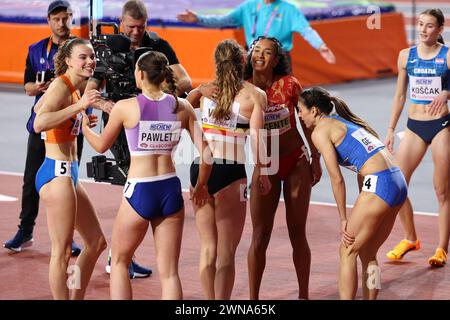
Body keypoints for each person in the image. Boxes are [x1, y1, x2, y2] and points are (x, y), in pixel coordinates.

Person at [81, 50, 212, 299]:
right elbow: (207, 154)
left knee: (119, 262)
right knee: (170, 273)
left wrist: (86, 128)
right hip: (170, 190)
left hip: (140, 189)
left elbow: (101, 146)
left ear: (140, 75)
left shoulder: (125, 108)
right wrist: (202, 185)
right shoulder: (181, 106)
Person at [86, 0, 193, 278]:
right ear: (121, 22)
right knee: (130, 178)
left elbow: (186, 82)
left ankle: (121, 255)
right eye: (131, 27)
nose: (136, 32)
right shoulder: (108, 48)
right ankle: (121, 255)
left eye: (141, 27)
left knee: (135, 181)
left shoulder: (159, 46)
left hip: (153, 120)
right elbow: (91, 89)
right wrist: (104, 106)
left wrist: (162, 90)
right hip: (123, 121)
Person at [298, 87, 408, 300]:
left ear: (313, 110)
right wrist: (365, 202)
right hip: (397, 182)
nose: (300, 116)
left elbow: (337, 179)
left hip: (379, 183)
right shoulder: (342, 121)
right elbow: (363, 165)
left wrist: (343, 218)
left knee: (347, 251)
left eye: (300, 111)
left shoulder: (320, 132)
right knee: (368, 252)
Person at [187, 39, 270, 299]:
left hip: (199, 169)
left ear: (216, 63)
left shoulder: (205, 91)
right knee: (226, 252)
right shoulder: (255, 96)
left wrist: (199, 89)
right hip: (231, 172)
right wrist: (263, 171)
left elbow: (181, 108)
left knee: (207, 249)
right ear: (242, 62)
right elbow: (257, 138)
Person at [243, 36, 321, 300]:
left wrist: (316, 157)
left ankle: (303, 296)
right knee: (259, 235)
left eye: (267, 53)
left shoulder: (290, 85)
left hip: (295, 161)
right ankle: (253, 300)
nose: (260, 56)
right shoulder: (243, 88)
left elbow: (307, 122)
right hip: (265, 166)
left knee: (297, 232)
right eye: (256, 51)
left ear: (277, 60)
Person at [3, 0, 83, 256]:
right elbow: (27, 85)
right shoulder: (36, 49)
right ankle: (25, 231)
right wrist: (36, 88)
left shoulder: (80, 50)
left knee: (69, 183)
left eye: (65, 18)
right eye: (56, 19)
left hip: (69, 129)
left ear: (71, 18)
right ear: (49, 20)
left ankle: (67, 237)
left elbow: (89, 84)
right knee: (30, 180)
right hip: (42, 126)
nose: (61, 23)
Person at [33, 37, 107, 299]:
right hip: (56, 173)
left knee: (97, 242)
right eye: (83, 57)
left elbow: (39, 107)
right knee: (62, 251)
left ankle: (75, 296)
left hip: (69, 173)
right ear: (67, 61)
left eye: (92, 57)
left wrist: (81, 116)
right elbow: (39, 123)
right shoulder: (62, 86)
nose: (90, 61)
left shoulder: (74, 88)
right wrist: (79, 107)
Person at [384, 8, 450, 267]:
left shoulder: (447, 57)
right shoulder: (406, 56)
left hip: (441, 125)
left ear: (440, 29)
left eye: (429, 25)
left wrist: (447, 94)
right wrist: (390, 129)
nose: (423, 29)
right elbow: (400, 95)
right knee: (397, 186)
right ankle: (410, 238)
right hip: (414, 126)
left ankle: (441, 249)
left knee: (442, 191)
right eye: (420, 24)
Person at [177, 0, 336, 71]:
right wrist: (198, 19)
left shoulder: (289, 9)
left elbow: (306, 30)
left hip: (279, 58)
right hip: (252, 56)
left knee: (284, 97)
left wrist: (320, 46)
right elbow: (224, 20)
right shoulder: (249, 6)